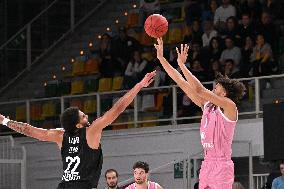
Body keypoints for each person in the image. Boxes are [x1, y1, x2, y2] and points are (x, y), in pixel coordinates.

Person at [0, 71, 156, 189]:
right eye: (83, 116)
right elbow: (117, 109)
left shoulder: (59, 136)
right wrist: (139, 86)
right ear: (78, 125)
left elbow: (30, 130)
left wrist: (5, 121)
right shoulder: (91, 132)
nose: (86, 116)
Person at [154, 38, 245, 189]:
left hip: (221, 165)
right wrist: (162, 59)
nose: (214, 89)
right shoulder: (207, 106)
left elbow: (199, 90)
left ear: (225, 92)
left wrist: (182, 65)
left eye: (217, 88)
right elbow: (181, 82)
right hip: (207, 162)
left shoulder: (230, 106)